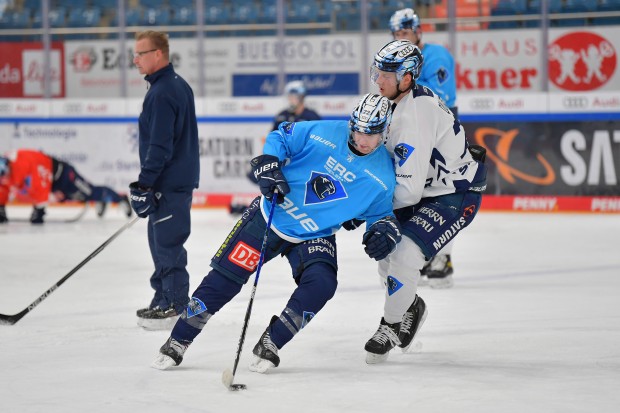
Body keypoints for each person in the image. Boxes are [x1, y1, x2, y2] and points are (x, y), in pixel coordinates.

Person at [151, 94, 402, 373]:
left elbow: (380, 213)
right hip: (271, 214)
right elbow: (281, 137)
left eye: (372, 133)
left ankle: (272, 341)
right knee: (224, 280)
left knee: (322, 284)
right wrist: (269, 162)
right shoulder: (324, 130)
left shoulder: (384, 177)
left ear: (385, 131)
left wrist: (384, 230)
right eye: (357, 129)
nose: (362, 138)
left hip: (314, 233)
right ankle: (179, 339)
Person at [362, 39, 486, 363]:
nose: (378, 80)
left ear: (407, 77)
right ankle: (410, 306)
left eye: (386, 74)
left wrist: (365, 211)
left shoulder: (415, 114)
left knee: (403, 253)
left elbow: (407, 192)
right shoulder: (392, 102)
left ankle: (389, 326)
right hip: (426, 189)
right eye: (378, 72)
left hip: (455, 194)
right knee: (385, 259)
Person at [128, 30, 200, 330]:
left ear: (158, 54)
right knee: (159, 243)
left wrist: (144, 184)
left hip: (169, 184)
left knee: (168, 244)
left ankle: (174, 304)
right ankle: (163, 298)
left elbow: (160, 145)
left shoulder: (163, 92)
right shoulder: (172, 85)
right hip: (169, 184)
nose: (135, 60)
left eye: (140, 54)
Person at [389, 7, 459, 287]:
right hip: (414, 134)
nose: (401, 38)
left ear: (418, 31)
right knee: (414, 195)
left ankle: (443, 258)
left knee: (441, 196)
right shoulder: (398, 59)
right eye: (396, 34)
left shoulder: (436, 56)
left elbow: (440, 97)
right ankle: (423, 254)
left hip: (441, 136)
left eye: (405, 33)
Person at [228, 80, 321, 215]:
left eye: (294, 96)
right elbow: (273, 138)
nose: (291, 99)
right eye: (289, 96)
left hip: (303, 160)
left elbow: (318, 141)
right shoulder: (282, 115)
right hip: (285, 160)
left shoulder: (311, 116)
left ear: (302, 97)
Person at [0, 149, 131, 224]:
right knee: (76, 196)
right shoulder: (8, 168)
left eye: (3, 173)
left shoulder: (24, 165)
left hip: (64, 175)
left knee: (89, 192)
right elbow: (3, 187)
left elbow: (40, 187)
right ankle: (100, 199)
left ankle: (120, 198)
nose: (3, 177)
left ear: (8, 166)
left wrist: (38, 210)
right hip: (53, 180)